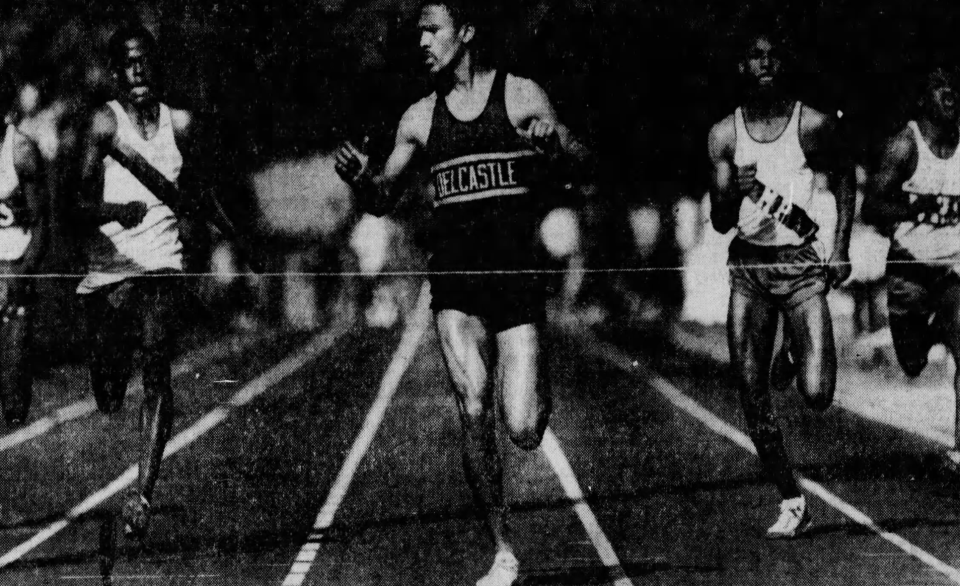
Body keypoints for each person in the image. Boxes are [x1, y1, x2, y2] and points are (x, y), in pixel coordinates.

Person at [334, 1, 591, 584]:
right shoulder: (419, 119)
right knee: (472, 408)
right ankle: (503, 550)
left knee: (523, 428)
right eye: (418, 32)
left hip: (515, 284)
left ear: (467, 32)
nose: (422, 41)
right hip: (454, 287)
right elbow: (382, 196)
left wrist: (553, 147)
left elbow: (581, 162)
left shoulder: (522, 96)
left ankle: (532, 379)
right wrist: (362, 179)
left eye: (433, 30)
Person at [706, 22, 855, 538]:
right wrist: (734, 192)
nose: (764, 64)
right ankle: (792, 499)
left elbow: (845, 176)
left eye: (773, 55)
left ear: (784, 64)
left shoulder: (810, 124)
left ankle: (793, 354)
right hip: (748, 269)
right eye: (754, 56)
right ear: (741, 67)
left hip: (800, 268)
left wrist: (840, 247)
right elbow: (722, 221)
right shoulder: (724, 135)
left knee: (816, 393)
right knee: (750, 392)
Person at [77, 24, 195, 541]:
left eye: (146, 60)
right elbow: (72, 205)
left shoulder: (181, 124)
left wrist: (245, 240)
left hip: (163, 265)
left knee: (157, 367)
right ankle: (108, 370)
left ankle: (142, 494)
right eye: (128, 62)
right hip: (110, 273)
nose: (139, 70)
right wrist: (114, 210)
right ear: (116, 71)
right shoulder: (106, 123)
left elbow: (200, 191)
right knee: (108, 393)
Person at [862, 65, 960, 470]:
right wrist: (915, 207)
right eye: (940, 88)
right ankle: (934, 328)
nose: (950, 95)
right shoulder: (904, 145)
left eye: (954, 87)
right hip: (910, 273)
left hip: (953, 272)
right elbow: (871, 206)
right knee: (913, 363)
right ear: (923, 100)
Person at [0, 71, 49, 428]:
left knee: (15, 403)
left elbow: (43, 226)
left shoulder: (20, 150)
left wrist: (20, 274)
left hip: (14, 269)